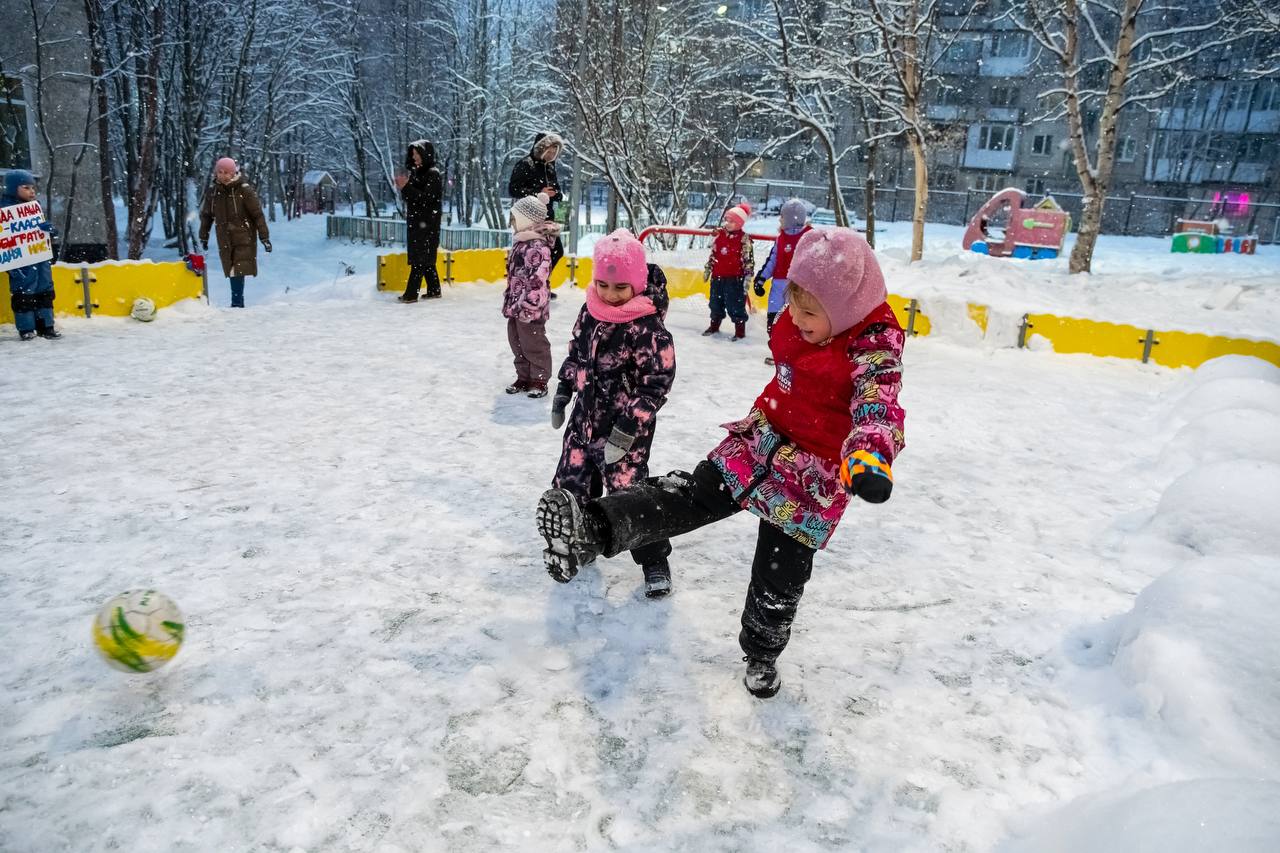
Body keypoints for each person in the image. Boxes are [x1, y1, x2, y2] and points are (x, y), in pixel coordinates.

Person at [537, 228, 904, 698]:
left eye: (809, 313)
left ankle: (762, 653)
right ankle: (594, 526)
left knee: (780, 569)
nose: (796, 319)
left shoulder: (872, 347)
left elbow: (878, 403)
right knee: (691, 494)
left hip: (816, 474)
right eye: (793, 307)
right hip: (763, 439)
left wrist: (869, 454)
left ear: (846, 308)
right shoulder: (801, 322)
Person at [547, 229, 677, 598]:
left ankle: (654, 560)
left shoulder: (648, 329)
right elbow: (577, 354)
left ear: (637, 284)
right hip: (583, 423)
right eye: (602, 284)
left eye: (620, 287)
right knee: (571, 485)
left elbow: (656, 385)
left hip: (626, 433)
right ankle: (582, 539)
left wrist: (625, 430)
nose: (610, 294)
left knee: (630, 496)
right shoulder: (590, 311)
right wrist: (564, 390)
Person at [503, 193, 560, 398]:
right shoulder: (521, 242)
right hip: (516, 303)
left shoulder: (538, 246)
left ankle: (539, 378)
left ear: (526, 220)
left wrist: (529, 304)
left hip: (531, 306)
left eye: (514, 219)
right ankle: (524, 376)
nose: (512, 223)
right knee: (516, 340)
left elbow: (538, 279)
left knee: (533, 342)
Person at [199, 157, 271, 308]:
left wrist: (264, 237)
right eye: (220, 172)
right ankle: (237, 303)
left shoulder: (244, 190)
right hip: (224, 237)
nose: (222, 175)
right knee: (231, 267)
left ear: (233, 173)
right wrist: (203, 236)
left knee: (237, 269)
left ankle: (237, 303)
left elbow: (257, 215)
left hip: (243, 235)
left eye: (226, 172)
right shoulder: (213, 193)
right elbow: (207, 216)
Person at [753, 198, 812, 364]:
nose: (780, 219)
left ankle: (796, 354)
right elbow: (773, 260)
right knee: (774, 321)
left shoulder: (808, 238)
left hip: (798, 288)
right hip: (778, 289)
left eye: (782, 216)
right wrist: (761, 279)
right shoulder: (781, 238)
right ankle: (778, 353)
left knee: (796, 322)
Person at [2, 170, 59, 340]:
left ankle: (46, 326)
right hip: (21, 260)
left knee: (45, 289)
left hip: (40, 257)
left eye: (32, 187)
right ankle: (26, 328)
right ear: (13, 188)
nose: (32, 191)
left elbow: (42, 231)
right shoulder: (4, 211)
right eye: (26, 187)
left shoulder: (34, 208)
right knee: (24, 292)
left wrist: (50, 230)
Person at [508, 132, 566, 280]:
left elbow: (558, 192)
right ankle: (529, 283)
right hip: (529, 219)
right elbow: (513, 189)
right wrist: (538, 192)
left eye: (554, 152)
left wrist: (555, 194)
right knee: (530, 254)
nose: (551, 155)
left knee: (556, 251)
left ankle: (540, 282)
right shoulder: (525, 164)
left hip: (548, 218)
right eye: (549, 152)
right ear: (541, 149)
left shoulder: (550, 167)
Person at [396, 140, 444, 302]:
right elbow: (411, 197)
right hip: (418, 223)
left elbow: (426, 199)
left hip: (427, 224)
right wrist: (405, 188)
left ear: (426, 154)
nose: (414, 157)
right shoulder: (416, 173)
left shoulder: (433, 174)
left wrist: (406, 188)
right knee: (427, 259)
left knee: (420, 259)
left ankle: (411, 294)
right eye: (413, 154)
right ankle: (434, 290)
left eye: (417, 154)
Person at [702, 201, 755, 340]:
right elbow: (714, 254)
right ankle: (714, 326)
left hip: (734, 280)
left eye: (732, 221)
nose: (728, 223)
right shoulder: (720, 235)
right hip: (717, 277)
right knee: (715, 303)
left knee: (735, 305)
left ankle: (740, 332)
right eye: (727, 220)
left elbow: (748, 261)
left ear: (739, 223)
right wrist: (708, 268)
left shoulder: (744, 239)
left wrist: (748, 278)